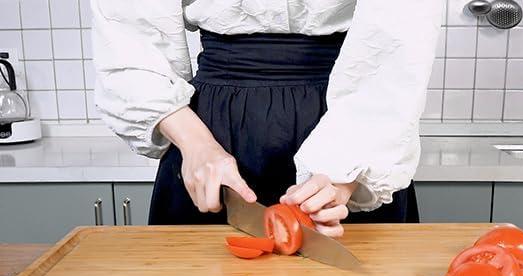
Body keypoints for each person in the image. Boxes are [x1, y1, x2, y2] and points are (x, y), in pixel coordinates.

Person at [92, 1, 443, 237]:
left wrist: (347, 172)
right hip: (208, 128)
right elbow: (128, 38)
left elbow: (400, 39)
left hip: (356, 121)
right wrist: (197, 147)